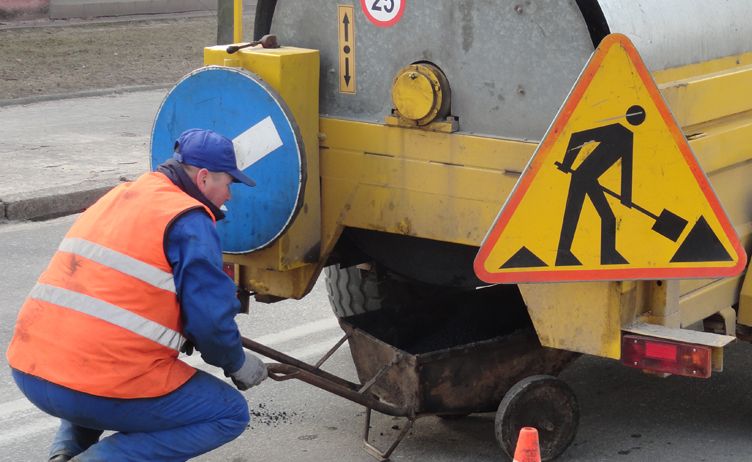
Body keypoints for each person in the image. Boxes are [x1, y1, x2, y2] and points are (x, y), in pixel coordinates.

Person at [6, 128, 268, 461]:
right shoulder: (189, 219)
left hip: (32, 368)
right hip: (89, 387)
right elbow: (211, 323)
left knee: (98, 361)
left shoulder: (121, 195)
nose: (228, 195)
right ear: (203, 179)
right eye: (228, 184)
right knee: (228, 413)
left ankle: (64, 453)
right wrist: (237, 363)